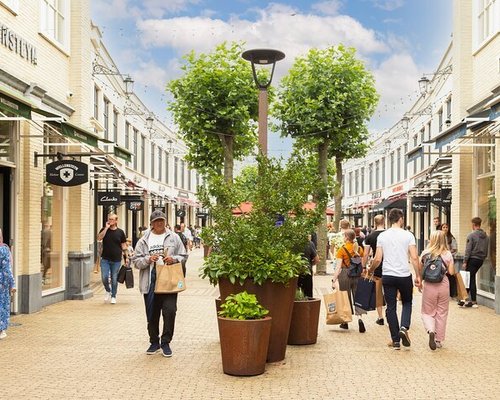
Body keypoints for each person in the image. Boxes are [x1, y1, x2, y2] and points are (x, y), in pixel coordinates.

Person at [133, 211, 187, 357]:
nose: (159, 223)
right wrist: (148, 259)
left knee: (170, 311)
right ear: (151, 223)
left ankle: (166, 342)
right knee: (152, 313)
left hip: (169, 281)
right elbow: (136, 261)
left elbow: (183, 255)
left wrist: (174, 259)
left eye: (162, 220)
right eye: (156, 221)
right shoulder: (144, 239)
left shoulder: (174, 237)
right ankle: (154, 342)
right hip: (150, 282)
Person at [368, 208, 421, 350]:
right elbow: (415, 258)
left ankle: (395, 340)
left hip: (388, 276)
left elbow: (377, 258)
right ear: (401, 219)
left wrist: (370, 271)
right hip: (404, 275)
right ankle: (404, 327)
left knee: (390, 307)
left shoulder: (382, 236)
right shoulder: (408, 235)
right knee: (407, 302)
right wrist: (418, 276)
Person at [419, 230, 455, 350]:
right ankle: (438, 340)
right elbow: (451, 272)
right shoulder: (448, 254)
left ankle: (431, 330)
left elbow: (421, 270)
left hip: (429, 284)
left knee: (427, 312)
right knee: (442, 312)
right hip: (443, 284)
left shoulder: (425, 253)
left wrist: (419, 282)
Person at [332, 229, 366, 333]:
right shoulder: (359, 249)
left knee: (345, 298)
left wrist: (334, 279)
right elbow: (363, 262)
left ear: (346, 238)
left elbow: (338, 267)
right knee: (357, 298)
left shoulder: (342, 249)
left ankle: (345, 322)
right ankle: (360, 319)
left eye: (344, 236)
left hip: (345, 275)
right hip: (357, 275)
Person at [97, 213, 127, 304]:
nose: (110, 221)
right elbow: (99, 238)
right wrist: (106, 228)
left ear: (116, 221)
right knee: (104, 277)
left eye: (112, 219)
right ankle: (107, 290)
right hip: (105, 258)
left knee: (114, 279)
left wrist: (126, 257)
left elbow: (123, 245)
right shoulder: (104, 230)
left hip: (116, 259)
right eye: (109, 219)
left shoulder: (120, 232)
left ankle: (113, 296)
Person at [460, 217, 489, 308]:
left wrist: (465, 261)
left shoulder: (471, 235)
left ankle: (471, 300)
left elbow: (468, 250)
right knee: (471, 277)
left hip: (472, 259)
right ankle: (465, 299)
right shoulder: (486, 237)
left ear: (473, 225)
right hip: (480, 260)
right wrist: (483, 258)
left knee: (470, 278)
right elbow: (486, 249)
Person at [362, 214, 385, 325]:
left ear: (375, 223)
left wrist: (364, 267)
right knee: (390, 291)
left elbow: (366, 254)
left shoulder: (370, 236)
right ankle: (391, 313)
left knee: (378, 292)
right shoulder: (388, 234)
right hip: (390, 266)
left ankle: (380, 317)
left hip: (377, 266)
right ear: (384, 221)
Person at [0, 229, 16, 340]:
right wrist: (12, 284)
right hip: (2, 283)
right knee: (2, 305)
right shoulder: (3, 250)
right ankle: (1, 330)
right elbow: (7, 270)